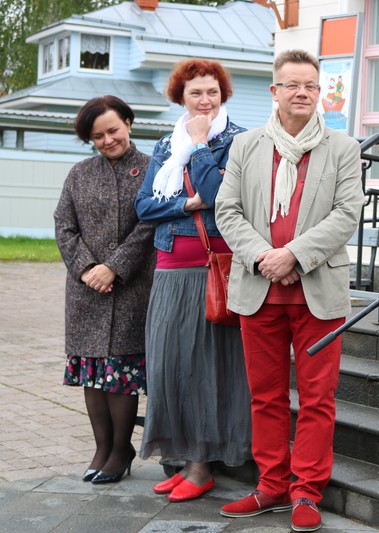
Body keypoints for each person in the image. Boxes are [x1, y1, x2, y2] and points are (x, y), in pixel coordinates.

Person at [215, 49, 364, 532]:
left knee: (318, 398)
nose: (302, 93)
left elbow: (347, 213)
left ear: (320, 93)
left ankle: (306, 492)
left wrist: (294, 255)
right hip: (259, 289)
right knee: (266, 396)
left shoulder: (343, 148)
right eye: (292, 85)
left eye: (310, 86)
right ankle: (272, 485)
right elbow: (227, 211)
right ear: (275, 91)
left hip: (318, 292)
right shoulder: (246, 146)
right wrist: (265, 256)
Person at [135, 59, 251, 503]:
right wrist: (186, 204)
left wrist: (201, 146)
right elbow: (144, 207)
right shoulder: (167, 144)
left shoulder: (239, 140)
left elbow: (220, 196)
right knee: (171, 367)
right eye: (196, 93)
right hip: (168, 268)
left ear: (223, 96)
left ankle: (202, 468)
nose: (205, 100)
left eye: (212, 92)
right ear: (180, 97)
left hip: (211, 269)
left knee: (204, 368)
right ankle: (184, 461)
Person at [54, 96, 155, 485]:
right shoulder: (79, 173)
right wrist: (86, 269)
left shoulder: (152, 169)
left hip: (132, 288)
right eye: (98, 136)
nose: (107, 140)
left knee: (121, 373)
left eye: (113, 130)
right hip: (86, 291)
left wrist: (114, 266)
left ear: (128, 122)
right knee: (93, 372)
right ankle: (102, 448)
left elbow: (149, 225)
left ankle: (120, 450)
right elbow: (64, 225)